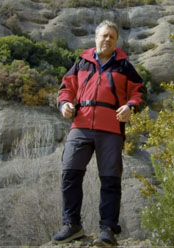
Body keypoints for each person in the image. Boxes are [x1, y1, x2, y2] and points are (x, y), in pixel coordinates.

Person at [52, 20, 146, 246]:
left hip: (111, 128)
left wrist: (130, 106)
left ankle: (108, 230)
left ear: (116, 42)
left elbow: (139, 91)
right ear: (96, 38)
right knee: (70, 174)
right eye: (104, 35)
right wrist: (64, 104)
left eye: (112, 37)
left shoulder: (125, 66)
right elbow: (66, 88)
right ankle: (72, 225)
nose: (107, 39)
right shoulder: (82, 62)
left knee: (110, 180)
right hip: (80, 126)